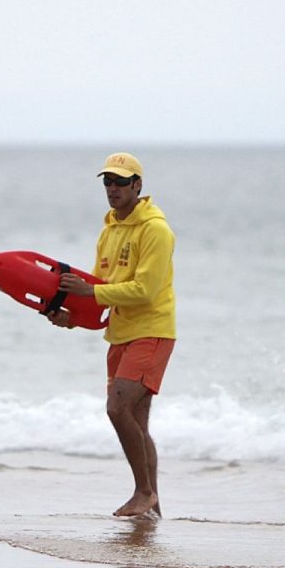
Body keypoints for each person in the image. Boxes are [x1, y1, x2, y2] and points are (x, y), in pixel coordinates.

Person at [48, 152, 176, 518]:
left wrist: (91, 293)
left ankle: (143, 491)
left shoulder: (156, 230)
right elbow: (99, 290)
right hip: (120, 333)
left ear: (138, 185)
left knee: (117, 409)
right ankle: (153, 509)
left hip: (152, 331)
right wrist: (71, 317)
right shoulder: (109, 230)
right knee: (137, 422)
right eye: (108, 181)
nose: (113, 188)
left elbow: (145, 291)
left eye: (122, 182)